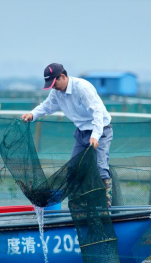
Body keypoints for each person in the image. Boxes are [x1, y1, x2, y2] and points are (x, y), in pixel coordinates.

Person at [21, 63, 114, 207]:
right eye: (50, 84)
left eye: (54, 82)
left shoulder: (82, 88)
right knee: (73, 169)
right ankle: (78, 204)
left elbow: (97, 113)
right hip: (81, 132)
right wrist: (32, 114)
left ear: (63, 76)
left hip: (100, 130)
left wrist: (95, 135)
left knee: (100, 166)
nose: (53, 87)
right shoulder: (56, 92)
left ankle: (106, 206)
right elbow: (47, 106)